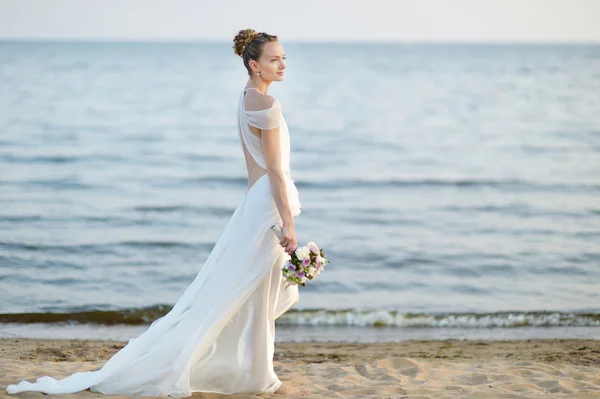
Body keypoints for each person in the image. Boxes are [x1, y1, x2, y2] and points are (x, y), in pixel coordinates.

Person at [6, 28, 310, 397]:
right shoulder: (268, 105)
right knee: (248, 293)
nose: (281, 65)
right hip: (267, 204)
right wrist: (289, 223)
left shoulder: (246, 99)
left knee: (237, 291)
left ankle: (251, 370)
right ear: (253, 64)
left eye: (283, 58)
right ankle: (253, 374)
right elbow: (276, 171)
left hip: (255, 202)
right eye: (274, 59)